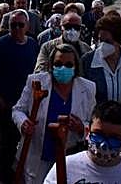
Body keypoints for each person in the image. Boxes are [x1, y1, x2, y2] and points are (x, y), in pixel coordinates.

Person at [13, 44, 96, 183]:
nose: (63, 68)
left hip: (69, 158)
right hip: (38, 155)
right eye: (58, 63)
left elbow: (92, 124)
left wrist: (81, 127)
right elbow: (18, 110)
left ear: (75, 66)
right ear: (51, 65)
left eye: (69, 64)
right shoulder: (36, 82)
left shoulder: (87, 88)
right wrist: (23, 123)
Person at [0, 9, 39, 182]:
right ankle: (4, 173)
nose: (16, 28)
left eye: (20, 25)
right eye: (13, 25)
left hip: (25, 101)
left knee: (22, 139)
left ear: (27, 26)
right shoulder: (1, 45)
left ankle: (19, 169)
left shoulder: (32, 44)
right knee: (9, 139)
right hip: (6, 101)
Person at [44, 100, 121, 184]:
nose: (104, 144)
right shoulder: (67, 167)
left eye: (114, 138)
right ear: (87, 132)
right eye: (98, 134)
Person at [80, 14, 121, 132]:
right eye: (100, 40)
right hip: (95, 127)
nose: (102, 45)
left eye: (107, 41)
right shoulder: (87, 62)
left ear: (119, 41)